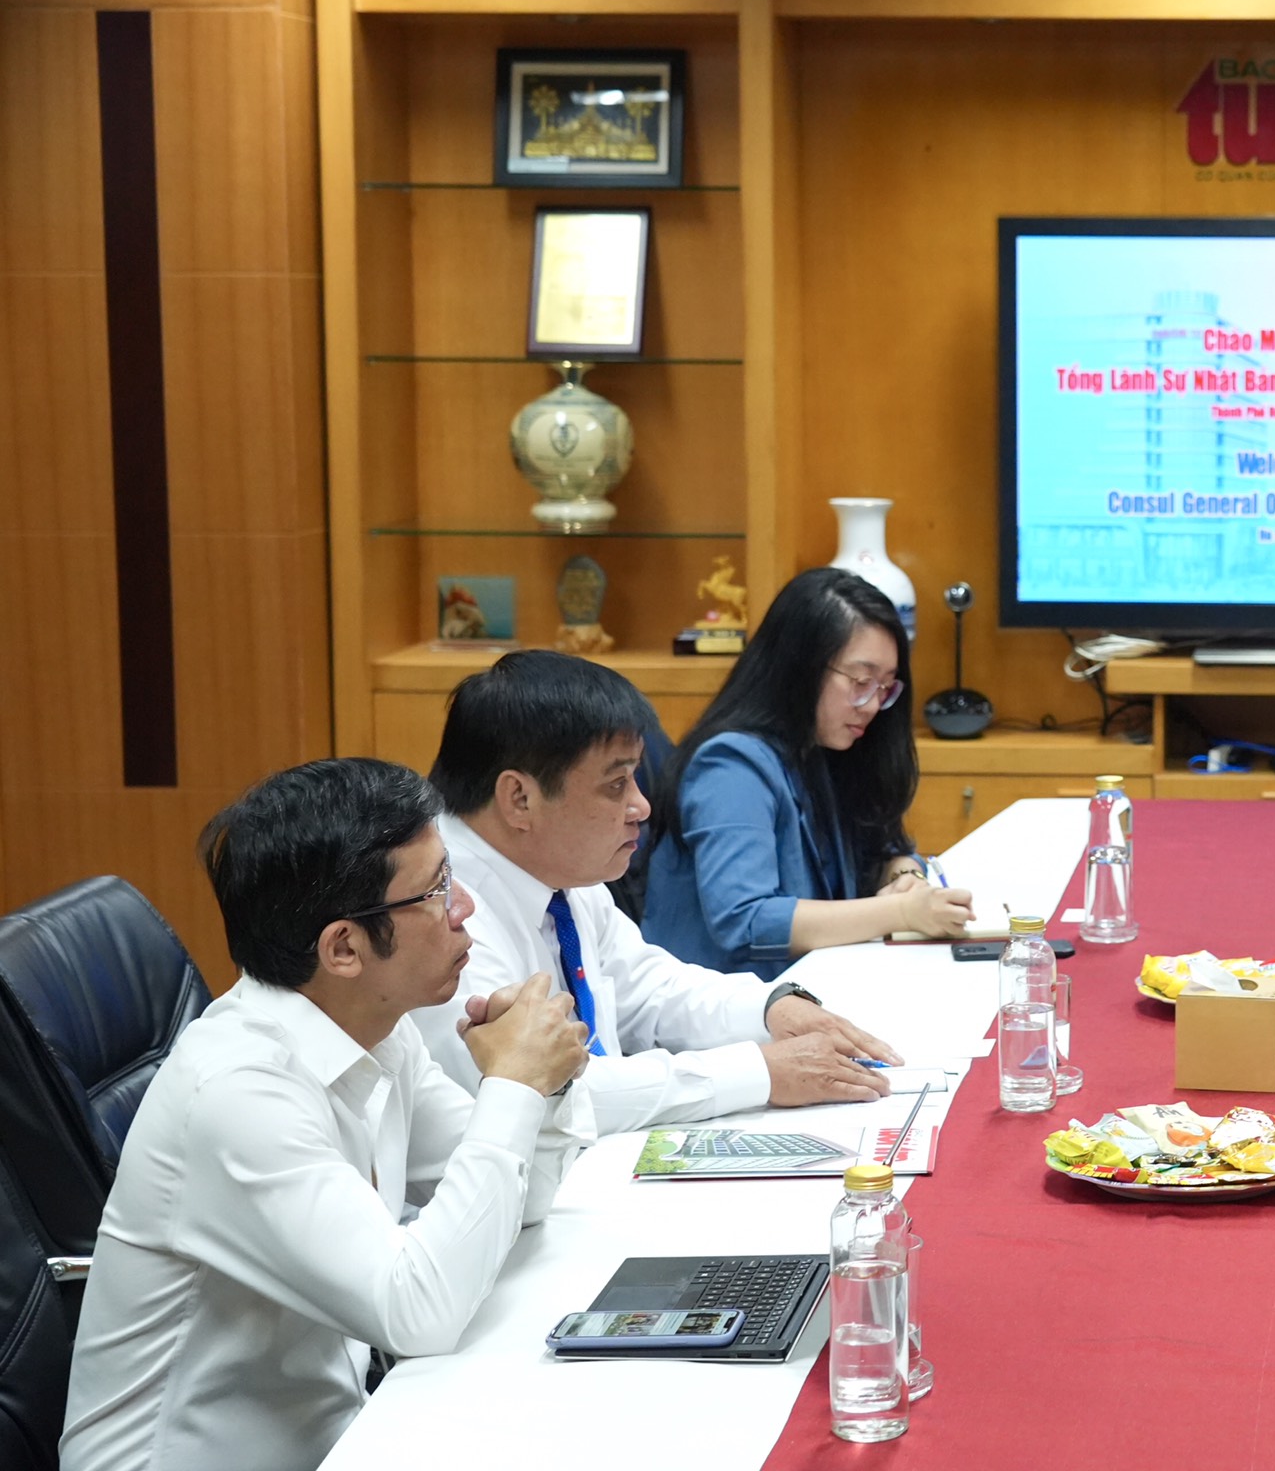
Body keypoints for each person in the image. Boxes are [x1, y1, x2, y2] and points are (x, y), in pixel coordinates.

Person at [60, 759, 593, 1471]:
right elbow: (419, 1312)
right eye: (435, 891)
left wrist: (543, 1085)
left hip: (343, 1437)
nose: (464, 907)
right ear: (344, 947)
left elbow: (520, 1204)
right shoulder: (238, 1093)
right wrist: (515, 1085)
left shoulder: (375, 1027)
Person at [417, 648, 906, 1133]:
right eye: (616, 784)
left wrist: (771, 1008)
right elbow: (539, 1095)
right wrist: (760, 1072)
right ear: (519, 798)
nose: (641, 806)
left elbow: (649, 989)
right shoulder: (436, 910)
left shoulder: (554, 870)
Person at [644, 567, 973, 977]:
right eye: (861, 680)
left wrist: (903, 873)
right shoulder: (730, 766)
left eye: (886, 686)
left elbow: (883, 847)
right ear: (800, 669)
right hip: (725, 1015)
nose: (872, 704)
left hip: (809, 991)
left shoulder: (830, 746)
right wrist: (901, 911)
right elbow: (745, 920)